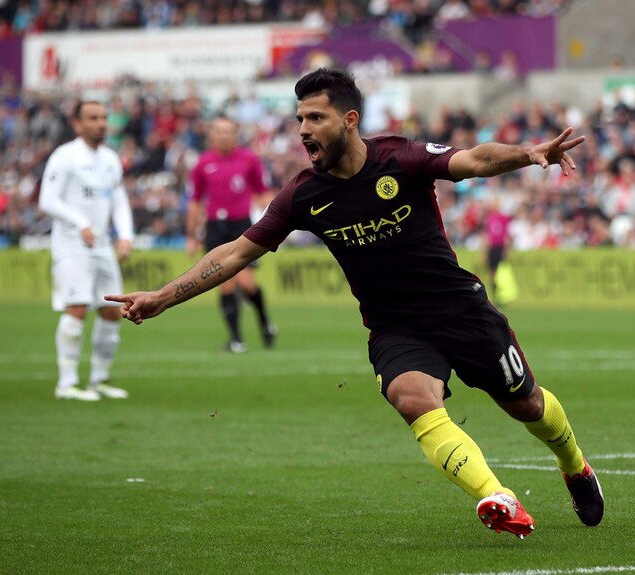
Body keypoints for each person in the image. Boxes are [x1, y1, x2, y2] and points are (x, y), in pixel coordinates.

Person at [107, 68, 603, 538]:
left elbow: (474, 160)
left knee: (527, 405)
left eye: (315, 118)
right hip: (395, 327)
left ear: (349, 120)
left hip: (461, 311)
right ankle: (498, 498)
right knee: (412, 398)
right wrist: (164, 297)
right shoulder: (303, 194)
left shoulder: (401, 158)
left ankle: (573, 465)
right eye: (299, 119)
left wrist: (528, 152)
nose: (303, 129)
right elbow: (237, 252)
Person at [39, 101, 134, 401]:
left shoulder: (109, 158)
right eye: (93, 118)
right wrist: (80, 222)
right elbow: (48, 200)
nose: (101, 123)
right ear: (77, 124)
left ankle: (99, 379)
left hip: (102, 243)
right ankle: (66, 384)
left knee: (111, 311)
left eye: (104, 118)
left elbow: (118, 200)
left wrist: (127, 235)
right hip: (71, 243)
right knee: (77, 308)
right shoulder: (65, 157)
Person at [186, 116, 276, 352]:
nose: (224, 135)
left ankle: (265, 321)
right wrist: (192, 235)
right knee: (224, 284)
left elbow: (263, 192)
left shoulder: (249, 160)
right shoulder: (203, 163)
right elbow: (195, 201)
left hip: (241, 227)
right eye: (219, 131)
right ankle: (236, 339)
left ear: (235, 134)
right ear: (211, 135)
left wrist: (277, 223)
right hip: (215, 227)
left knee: (247, 284)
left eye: (228, 131)